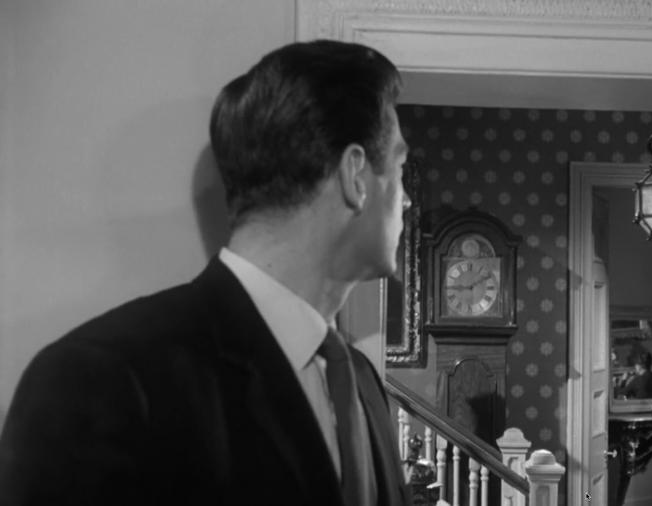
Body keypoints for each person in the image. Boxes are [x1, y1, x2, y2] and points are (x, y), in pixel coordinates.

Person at [0, 40, 412, 506]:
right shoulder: (98, 379)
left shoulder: (362, 380)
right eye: (401, 167)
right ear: (355, 176)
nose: (406, 200)